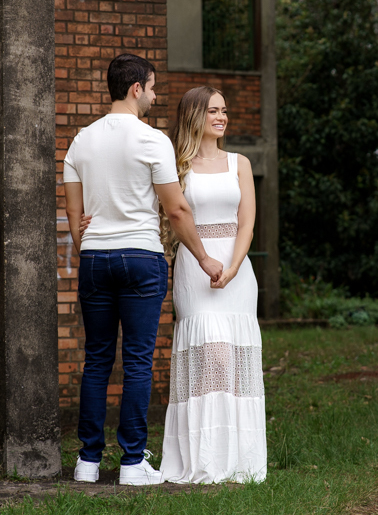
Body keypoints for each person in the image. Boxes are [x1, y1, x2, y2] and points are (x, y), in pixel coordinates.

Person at [63, 55, 224, 486]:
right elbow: (176, 209)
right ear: (136, 88)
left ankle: (87, 462)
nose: (154, 96)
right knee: (137, 361)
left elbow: (75, 215)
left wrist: (90, 248)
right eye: (152, 88)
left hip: (94, 260)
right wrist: (204, 257)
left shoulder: (80, 141)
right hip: (141, 258)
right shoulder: (153, 141)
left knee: (97, 360)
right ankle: (132, 463)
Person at [158, 86, 267, 484]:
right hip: (194, 267)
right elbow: (167, 215)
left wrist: (234, 267)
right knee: (210, 359)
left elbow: (247, 223)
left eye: (224, 110)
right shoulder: (176, 166)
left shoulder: (240, 163)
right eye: (213, 111)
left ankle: (239, 459)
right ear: (195, 116)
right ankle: (204, 458)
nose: (222, 117)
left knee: (234, 363)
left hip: (236, 273)